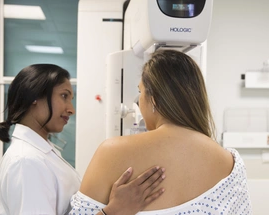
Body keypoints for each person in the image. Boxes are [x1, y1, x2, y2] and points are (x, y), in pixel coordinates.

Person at [70, 49, 253, 214]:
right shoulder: (231, 164)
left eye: (140, 92)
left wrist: (113, 212)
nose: (138, 101)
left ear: (154, 99)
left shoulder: (112, 152)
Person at [0, 64, 166, 215]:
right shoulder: (26, 161)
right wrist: (115, 210)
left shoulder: (39, 153)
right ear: (34, 97)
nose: (71, 109)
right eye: (64, 96)